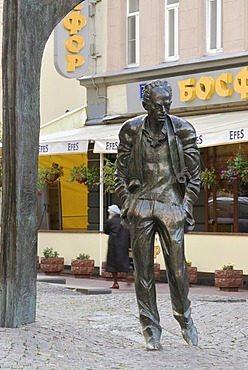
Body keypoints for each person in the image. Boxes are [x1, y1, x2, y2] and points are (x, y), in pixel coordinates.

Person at [115, 80, 201, 350]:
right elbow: (119, 172)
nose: (163, 110)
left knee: (178, 271)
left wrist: (186, 206)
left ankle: (184, 319)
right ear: (145, 105)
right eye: (157, 105)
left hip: (171, 204)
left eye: (167, 104)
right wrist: (128, 201)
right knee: (143, 272)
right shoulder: (130, 130)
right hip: (141, 205)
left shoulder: (184, 130)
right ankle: (150, 328)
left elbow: (194, 177)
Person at [104, 204, 131, 289]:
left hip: (113, 244)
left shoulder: (110, 221)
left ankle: (115, 283)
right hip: (124, 244)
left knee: (112, 265)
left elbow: (106, 231)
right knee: (124, 261)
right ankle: (129, 275)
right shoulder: (125, 221)